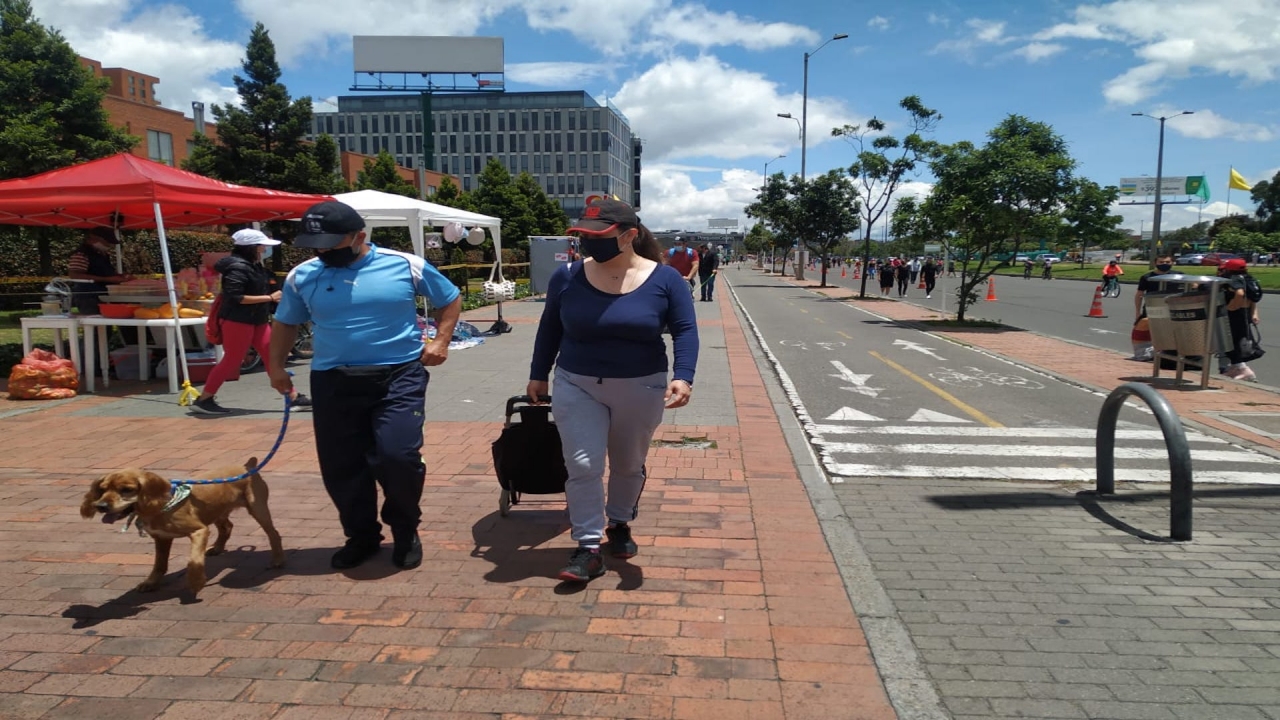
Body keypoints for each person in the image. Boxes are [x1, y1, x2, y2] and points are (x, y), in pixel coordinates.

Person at [267, 201, 463, 571]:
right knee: (342, 465)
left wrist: (441, 341)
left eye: (331, 243)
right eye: (316, 244)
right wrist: (276, 367)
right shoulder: (302, 275)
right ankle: (361, 535)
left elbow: (449, 298)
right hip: (332, 379)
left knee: (397, 455)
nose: (322, 250)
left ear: (360, 236)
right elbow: (285, 323)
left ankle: (405, 528)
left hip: (398, 375)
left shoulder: (405, 264)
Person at [526, 199, 698, 583]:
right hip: (576, 382)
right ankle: (587, 547)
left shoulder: (666, 279)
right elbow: (550, 328)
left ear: (629, 236)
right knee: (583, 465)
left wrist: (684, 375)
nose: (589, 243)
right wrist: (538, 373)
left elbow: (686, 330)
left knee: (627, 464)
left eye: (598, 236)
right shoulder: (566, 277)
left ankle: (619, 522)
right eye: (583, 236)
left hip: (642, 384)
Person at [193, 230, 311, 414]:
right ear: (252, 247)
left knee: (273, 356)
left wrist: (269, 297)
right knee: (232, 359)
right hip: (237, 320)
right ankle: (205, 398)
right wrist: (269, 298)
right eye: (261, 245)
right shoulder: (238, 267)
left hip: (257, 319)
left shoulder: (251, 265)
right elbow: (235, 297)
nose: (264, 249)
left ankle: (293, 397)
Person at [67, 228, 133, 316]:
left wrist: (119, 276)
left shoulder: (102, 254)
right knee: (96, 324)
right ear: (94, 239)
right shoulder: (81, 254)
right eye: (107, 242)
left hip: (103, 294)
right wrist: (108, 279)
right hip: (88, 296)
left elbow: (102, 272)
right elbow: (74, 275)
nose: (109, 245)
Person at [1217, 258, 1261, 381]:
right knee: (1238, 340)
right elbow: (1252, 298)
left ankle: (1243, 369)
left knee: (1232, 342)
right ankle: (1236, 367)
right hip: (1244, 313)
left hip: (1236, 313)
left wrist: (1231, 307)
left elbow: (1240, 293)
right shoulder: (1249, 279)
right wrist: (1253, 313)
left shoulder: (1234, 279)